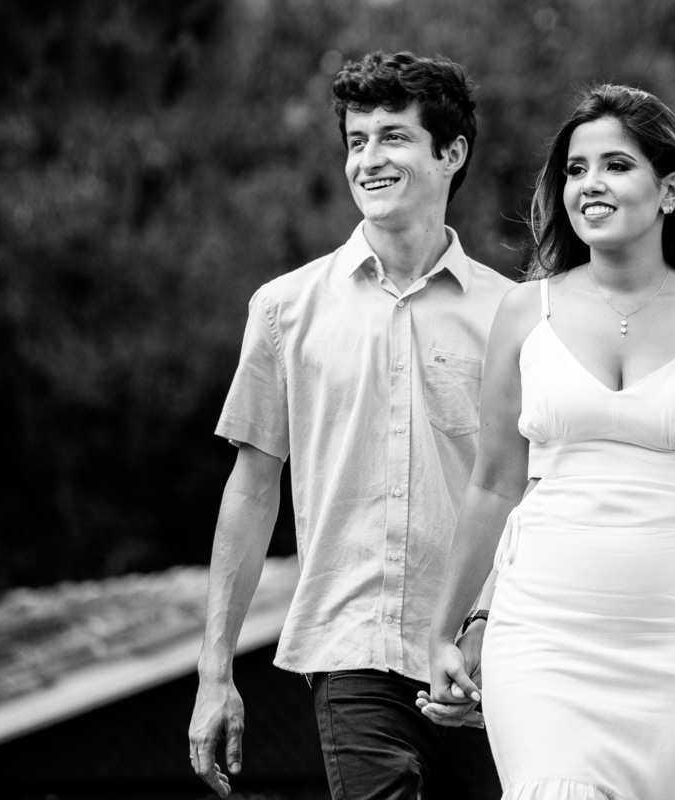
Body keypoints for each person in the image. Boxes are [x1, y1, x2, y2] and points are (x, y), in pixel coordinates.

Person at [423, 84, 675, 799]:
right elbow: (494, 485)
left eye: (616, 165)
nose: (590, 183)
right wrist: (447, 632)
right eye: (575, 169)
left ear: (670, 190)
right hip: (545, 637)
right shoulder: (523, 312)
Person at [187, 51, 511, 800]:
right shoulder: (284, 309)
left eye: (394, 136)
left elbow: (531, 491)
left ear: (451, 153)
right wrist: (215, 671)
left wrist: (488, 626)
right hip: (351, 650)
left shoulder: (514, 316)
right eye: (357, 140)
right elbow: (251, 490)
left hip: (489, 654)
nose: (369, 159)